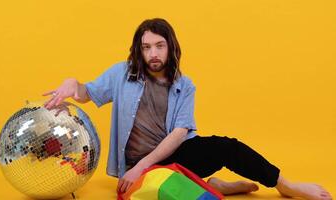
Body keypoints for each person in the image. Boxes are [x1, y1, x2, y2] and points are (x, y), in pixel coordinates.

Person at [43, 18, 332, 200]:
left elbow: (180, 134)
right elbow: (86, 93)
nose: (153, 54)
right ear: (138, 50)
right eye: (146, 47)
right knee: (163, 192)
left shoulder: (184, 85)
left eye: (159, 46)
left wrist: (144, 166)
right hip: (138, 168)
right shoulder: (122, 74)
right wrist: (72, 84)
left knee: (226, 147)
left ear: (170, 47)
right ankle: (215, 187)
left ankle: (286, 184)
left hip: (168, 157)